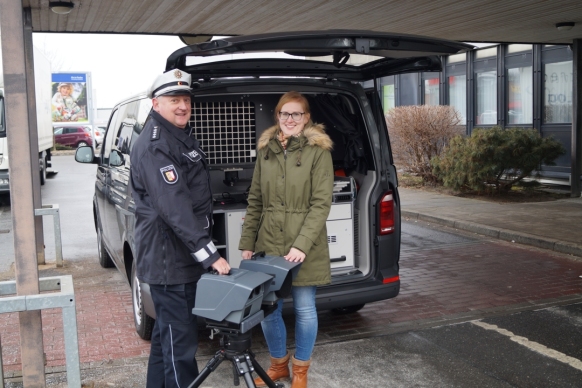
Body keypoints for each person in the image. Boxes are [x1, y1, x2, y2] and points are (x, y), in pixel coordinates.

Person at [130, 69, 231, 388]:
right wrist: (210, 255)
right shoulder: (156, 146)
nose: (182, 106)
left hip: (178, 259)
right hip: (169, 263)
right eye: (174, 100)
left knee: (166, 338)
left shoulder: (175, 135)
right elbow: (175, 209)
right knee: (181, 350)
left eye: (185, 99)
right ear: (155, 103)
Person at [239, 91, 334, 388]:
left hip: (305, 246)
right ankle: (278, 365)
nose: (290, 119)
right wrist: (247, 242)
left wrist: (300, 244)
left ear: (306, 118)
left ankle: (301, 371)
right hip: (269, 243)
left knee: (305, 308)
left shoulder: (318, 152)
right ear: (277, 117)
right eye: (284, 114)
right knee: (269, 309)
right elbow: (255, 200)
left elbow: (321, 204)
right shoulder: (266, 150)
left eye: (296, 114)